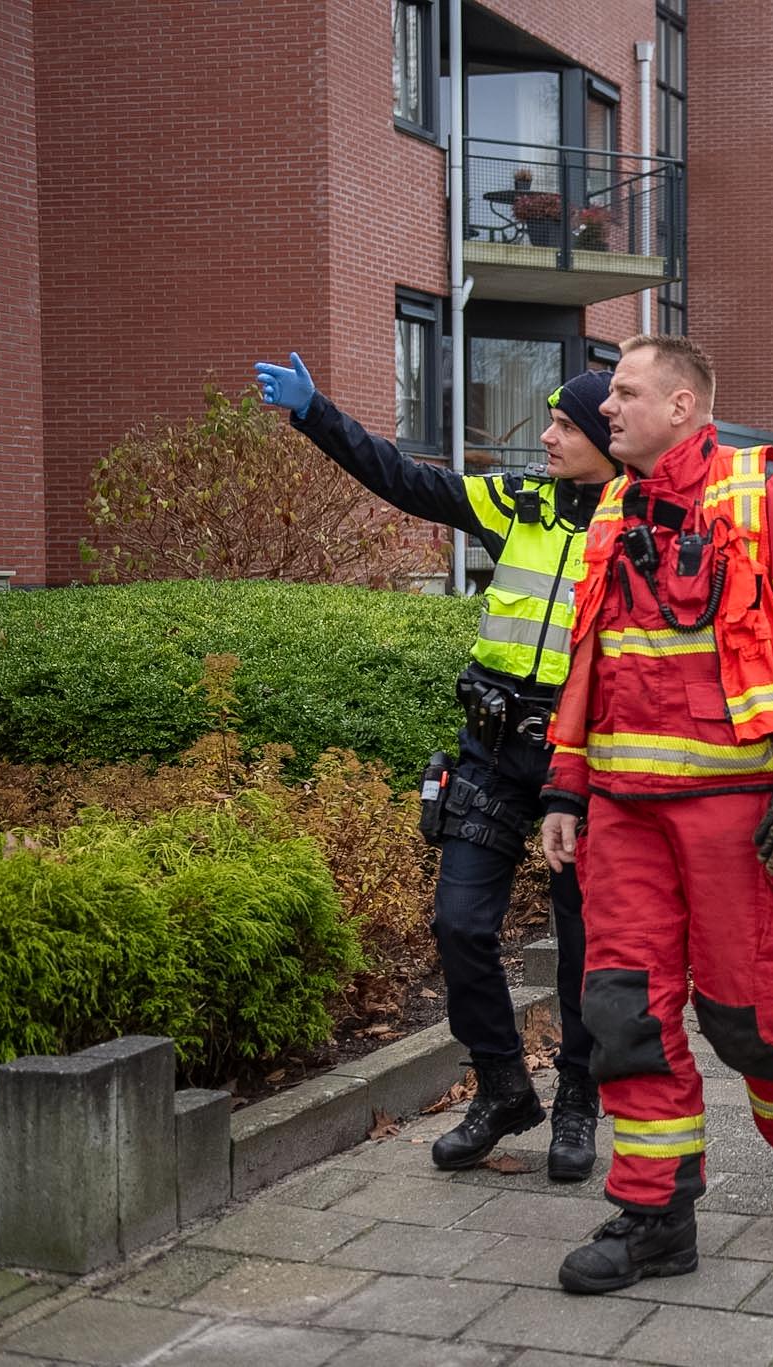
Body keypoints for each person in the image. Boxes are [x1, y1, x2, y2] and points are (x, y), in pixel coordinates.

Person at [538, 335, 773, 1294]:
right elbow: (589, 661)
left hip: (741, 813)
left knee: (742, 1013)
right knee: (621, 1013)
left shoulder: (766, 494)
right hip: (624, 814)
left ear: (685, 405)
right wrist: (566, 786)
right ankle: (656, 1216)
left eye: (623, 392)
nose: (603, 409)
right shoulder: (614, 503)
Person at [252, 352, 613, 1183]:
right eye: (551, 421)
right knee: (458, 924)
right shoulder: (516, 503)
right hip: (490, 747)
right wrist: (317, 415)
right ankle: (500, 1089)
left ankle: (578, 1102)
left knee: (584, 945)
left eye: (564, 425)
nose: (547, 435)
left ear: (604, 439)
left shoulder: (635, 525)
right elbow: (406, 482)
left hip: (581, 759)